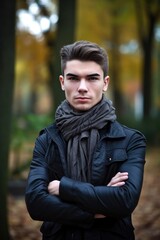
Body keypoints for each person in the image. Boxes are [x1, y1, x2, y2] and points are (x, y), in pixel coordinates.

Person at [25, 40, 146, 240]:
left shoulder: (130, 140)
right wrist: (96, 211)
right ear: (62, 82)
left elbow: (124, 200)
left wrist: (63, 188)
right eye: (73, 78)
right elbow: (36, 203)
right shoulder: (47, 140)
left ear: (105, 83)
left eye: (92, 78)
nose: (82, 87)